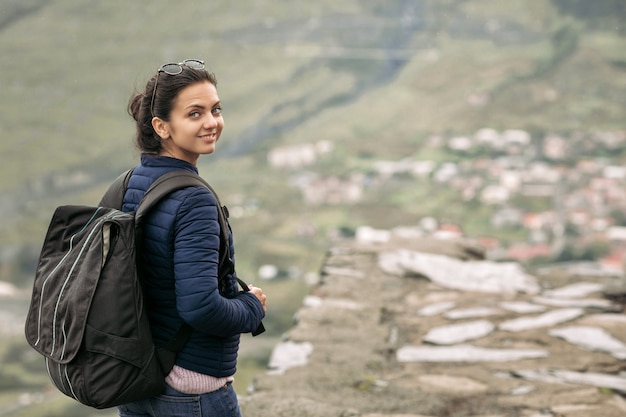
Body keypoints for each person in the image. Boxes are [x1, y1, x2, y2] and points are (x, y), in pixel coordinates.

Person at [116, 59, 267, 417]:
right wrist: (251, 308)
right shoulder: (193, 199)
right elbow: (199, 307)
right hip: (189, 388)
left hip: (136, 377)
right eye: (195, 114)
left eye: (215, 109)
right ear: (161, 126)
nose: (212, 122)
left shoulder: (131, 183)